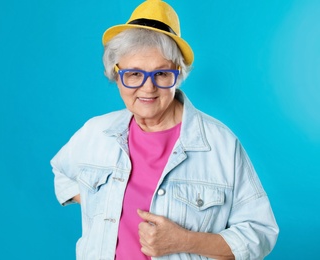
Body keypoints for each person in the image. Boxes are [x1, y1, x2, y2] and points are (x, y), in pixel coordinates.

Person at [50, 0, 279, 259]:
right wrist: (101, 204)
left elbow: (260, 233)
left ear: (177, 75)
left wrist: (185, 241)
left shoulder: (220, 144)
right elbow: (62, 171)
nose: (148, 88)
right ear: (116, 75)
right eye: (134, 74)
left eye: (161, 74)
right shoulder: (96, 133)